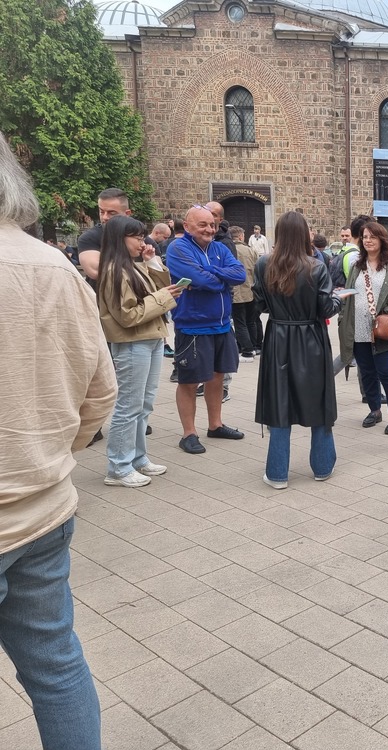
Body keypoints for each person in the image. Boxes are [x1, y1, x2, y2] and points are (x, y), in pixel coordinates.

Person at [0, 130, 117, 750]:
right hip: (43, 508)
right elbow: (101, 391)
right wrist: (50, 453)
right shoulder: (55, 267)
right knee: (56, 668)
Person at [252, 211, 341, 488]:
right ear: (305, 234)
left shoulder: (264, 264)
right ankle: (322, 466)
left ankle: (278, 473)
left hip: (278, 337)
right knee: (319, 399)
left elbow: (259, 305)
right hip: (311, 338)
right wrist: (338, 298)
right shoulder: (316, 266)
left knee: (280, 401)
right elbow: (327, 308)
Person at [96, 215, 183, 487]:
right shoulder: (113, 270)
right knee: (129, 406)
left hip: (150, 339)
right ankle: (118, 467)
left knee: (143, 404)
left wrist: (152, 261)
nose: (141, 241)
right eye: (135, 236)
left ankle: (137, 458)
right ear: (119, 239)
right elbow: (127, 315)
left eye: (142, 235)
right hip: (133, 342)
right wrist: (163, 298)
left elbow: (158, 289)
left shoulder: (130, 266)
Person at [166, 205, 247, 454]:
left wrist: (212, 272)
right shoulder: (178, 248)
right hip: (193, 327)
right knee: (189, 381)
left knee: (217, 376)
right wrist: (220, 280)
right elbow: (199, 280)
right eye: (202, 224)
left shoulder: (220, 248)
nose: (209, 229)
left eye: (212, 224)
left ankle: (215, 425)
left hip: (222, 324)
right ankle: (189, 433)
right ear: (187, 226)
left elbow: (240, 274)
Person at [338, 220, 388, 433]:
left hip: (381, 330)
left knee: (387, 372)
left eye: (372, 237)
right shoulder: (357, 265)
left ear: (381, 239)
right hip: (357, 328)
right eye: (365, 237)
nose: (368, 240)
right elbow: (350, 291)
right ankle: (375, 410)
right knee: (367, 372)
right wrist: (342, 314)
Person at [230, 225, 262, 363]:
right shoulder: (250, 250)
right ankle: (254, 347)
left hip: (236, 292)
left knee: (240, 322)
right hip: (250, 289)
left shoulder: (228, 250)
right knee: (251, 321)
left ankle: (247, 350)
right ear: (241, 236)